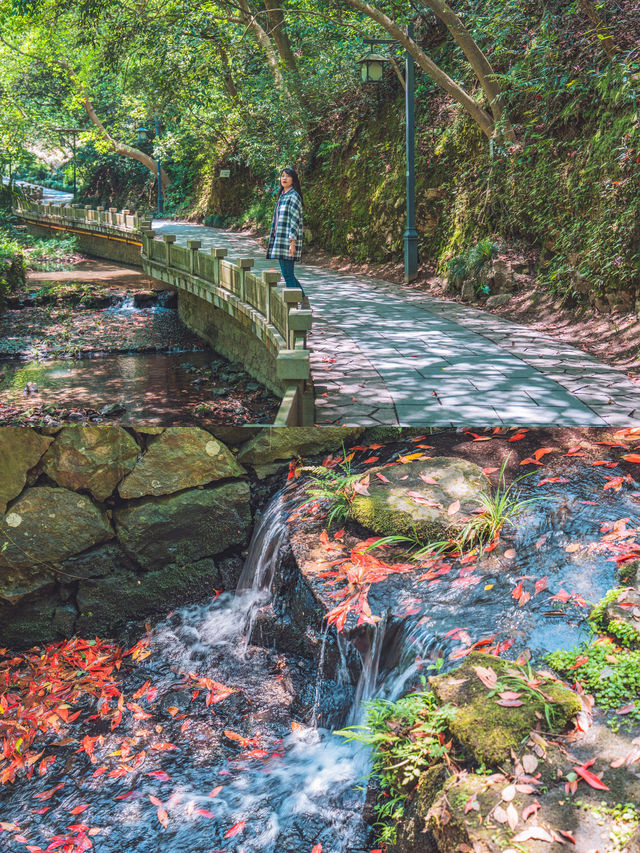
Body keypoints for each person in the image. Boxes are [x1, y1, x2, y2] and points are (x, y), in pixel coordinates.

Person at [266, 167, 310, 309]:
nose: (284, 178)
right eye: (282, 176)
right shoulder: (283, 195)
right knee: (287, 274)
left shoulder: (294, 196)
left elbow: (294, 221)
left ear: (293, 179)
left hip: (288, 241)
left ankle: (296, 304)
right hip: (280, 240)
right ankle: (302, 300)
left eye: (288, 176)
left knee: (288, 274)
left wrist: (293, 242)